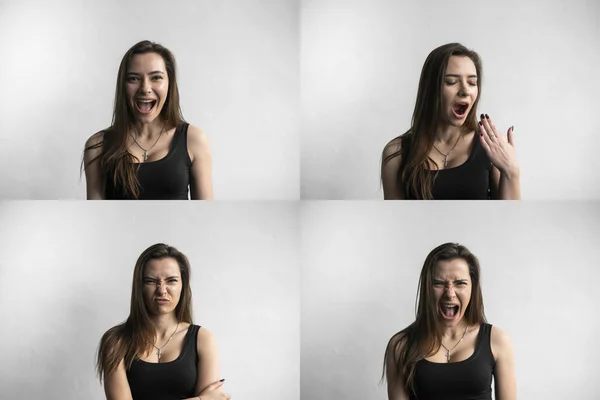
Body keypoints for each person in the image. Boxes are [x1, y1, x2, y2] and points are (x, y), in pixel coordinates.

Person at [381, 43, 520, 200]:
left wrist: (512, 171)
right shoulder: (396, 154)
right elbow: (394, 221)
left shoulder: (491, 147)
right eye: (451, 82)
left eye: (472, 83)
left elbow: (509, 220)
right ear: (431, 89)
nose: (465, 90)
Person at [96, 244, 231, 400]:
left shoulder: (203, 339)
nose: (161, 290)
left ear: (183, 286)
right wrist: (202, 399)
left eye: (171, 280)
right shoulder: (116, 342)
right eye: (151, 281)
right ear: (139, 287)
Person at [383, 243, 516, 400]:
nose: (450, 293)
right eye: (438, 283)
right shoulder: (401, 346)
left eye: (460, 283)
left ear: (472, 288)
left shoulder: (497, 340)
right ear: (427, 287)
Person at [83, 41, 213, 200]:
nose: (145, 88)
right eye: (134, 78)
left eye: (156, 78)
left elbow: (205, 217)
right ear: (123, 85)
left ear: (169, 84)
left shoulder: (194, 140)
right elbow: (96, 219)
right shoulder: (97, 146)